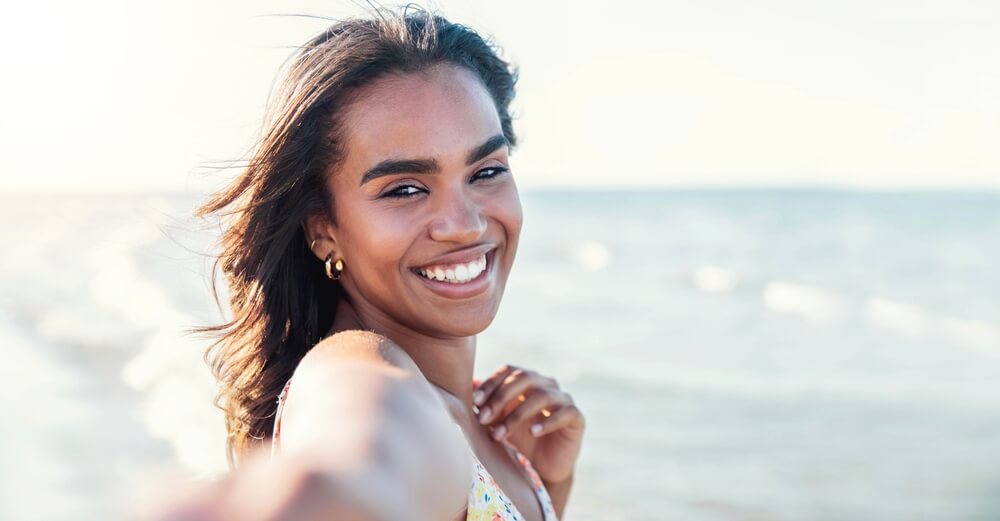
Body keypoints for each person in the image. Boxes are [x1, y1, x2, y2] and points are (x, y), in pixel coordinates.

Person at [152, 7, 585, 521]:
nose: (465, 224)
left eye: (486, 171)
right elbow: (363, 460)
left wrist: (544, 487)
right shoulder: (358, 374)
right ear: (324, 230)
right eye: (405, 189)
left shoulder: (479, 423)